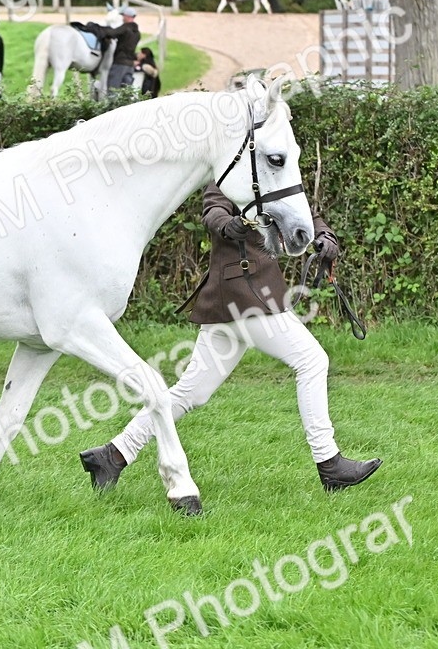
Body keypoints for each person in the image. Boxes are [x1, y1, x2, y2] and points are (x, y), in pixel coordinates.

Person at [79, 182, 383, 495]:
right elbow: (213, 213)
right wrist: (229, 226)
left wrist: (324, 235)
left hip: (240, 297)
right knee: (312, 360)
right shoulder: (225, 177)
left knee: (190, 393)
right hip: (244, 294)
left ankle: (112, 456)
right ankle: (329, 462)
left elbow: (303, 211)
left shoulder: (270, 172)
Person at [103, 6, 141, 92]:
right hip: (130, 66)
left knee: (112, 91)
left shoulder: (125, 27)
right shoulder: (137, 33)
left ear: (127, 16)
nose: (123, 18)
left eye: (123, 15)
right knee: (126, 93)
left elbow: (111, 33)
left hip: (119, 64)